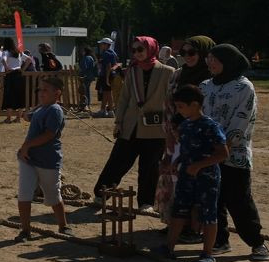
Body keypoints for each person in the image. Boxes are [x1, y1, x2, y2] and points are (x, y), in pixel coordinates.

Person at [201, 44, 269, 260]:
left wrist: (224, 147)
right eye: (209, 59)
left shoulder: (244, 88)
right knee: (213, 200)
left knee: (238, 199)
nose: (211, 63)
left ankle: (257, 243)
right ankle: (220, 241)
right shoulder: (205, 86)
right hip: (206, 154)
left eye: (216, 59)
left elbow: (241, 121)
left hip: (234, 155)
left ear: (228, 61)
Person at [92, 36, 174, 213]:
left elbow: (171, 100)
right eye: (134, 50)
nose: (137, 53)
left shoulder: (168, 71)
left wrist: (170, 124)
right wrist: (118, 121)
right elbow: (124, 98)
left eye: (140, 49)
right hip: (131, 125)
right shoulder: (132, 70)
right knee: (118, 161)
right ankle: (101, 193)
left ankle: (146, 202)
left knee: (150, 167)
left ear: (151, 49)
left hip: (155, 127)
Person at [158, 86, 228, 262]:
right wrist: (175, 161)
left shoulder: (211, 126)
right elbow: (186, 149)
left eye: (181, 106)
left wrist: (198, 166)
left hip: (207, 178)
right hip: (186, 176)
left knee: (208, 214)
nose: (179, 111)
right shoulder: (185, 125)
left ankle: (207, 253)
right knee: (179, 210)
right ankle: (169, 247)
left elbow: (223, 154)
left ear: (195, 105)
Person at [157, 36, 215, 226]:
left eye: (192, 52)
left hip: (197, 137)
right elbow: (167, 105)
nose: (187, 57)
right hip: (175, 135)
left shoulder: (211, 79)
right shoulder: (178, 74)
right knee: (173, 179)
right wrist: (169, 134)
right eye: (184, 53)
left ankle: (192, 227)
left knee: (193, 182)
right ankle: (174, 223)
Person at [15, 76, 70, 240]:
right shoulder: (42, 108)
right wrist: (25, 115)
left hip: (48, 160)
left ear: (57, 93)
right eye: (40, 89)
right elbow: (31, 117)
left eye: (45, 90)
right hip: (28, 159)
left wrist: (27, 145)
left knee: (53, 196)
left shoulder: (55, 110)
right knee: (24, 194)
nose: (41, 92)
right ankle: (25, 230)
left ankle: (63, 225)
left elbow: (49, 134)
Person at [0, 38, 25, 122]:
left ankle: (9, 118)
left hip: (11, 75)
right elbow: (29, 59)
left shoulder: (6, 52)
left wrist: (6, 68)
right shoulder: (18, 52)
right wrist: (23, 69)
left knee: (9, 96)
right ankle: (18, 118)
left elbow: (3, 59)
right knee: (20, 96)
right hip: (19, 74)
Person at [95, 37, 119, 117]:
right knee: (106, 93)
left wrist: (107, 78)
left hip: (106, 75)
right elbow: (116, 64)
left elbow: (108, 66)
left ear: (106, 45)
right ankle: (103, 110)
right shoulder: (113, 53)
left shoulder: (106, 53)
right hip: (110, 74)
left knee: (108, 93)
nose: (101, 45)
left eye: (102, 44)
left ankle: (111, 111)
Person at [77, 46, 98, 113]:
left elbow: (84, 67)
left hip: (85, 77)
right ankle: (87, 104)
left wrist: (82, 75)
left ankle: (85, 104)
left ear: (85, 51)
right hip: (90, 76)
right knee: (87, 91)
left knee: (84, 91)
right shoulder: (91, 57)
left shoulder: (86, 58)